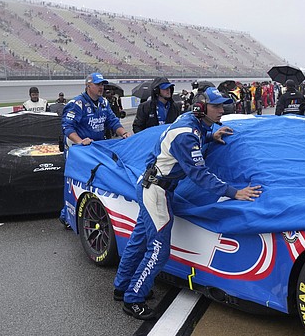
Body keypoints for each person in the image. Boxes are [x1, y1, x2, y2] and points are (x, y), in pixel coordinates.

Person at [113, 87, 263, 320]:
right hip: (157, 192)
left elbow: (190, 142)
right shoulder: (187, 134)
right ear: (201, 108)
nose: (222, 110)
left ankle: (122, 286)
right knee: (159, 251)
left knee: (139, 239)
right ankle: (133, 298)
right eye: (217, 106)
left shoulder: (192, 122)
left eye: (223, 105)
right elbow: (200, 175)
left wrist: (210, 137)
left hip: (150, 185)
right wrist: (234, 193)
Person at [59, 73, 130, 227]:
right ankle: (66, 215)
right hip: (78, 149)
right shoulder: (77, 103)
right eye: (98, 84)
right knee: (73, 182)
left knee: (95, 179)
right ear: (88, 86)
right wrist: (80, 141)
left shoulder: (104, 102)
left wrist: (124, 133)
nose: (101, 87)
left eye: (102, 84)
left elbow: (113, 121)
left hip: (96, 148)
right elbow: (67, 127)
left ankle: (92, 212)